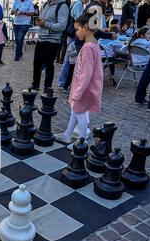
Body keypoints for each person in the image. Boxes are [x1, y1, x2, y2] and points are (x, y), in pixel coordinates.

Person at [55, 12, 103, 147]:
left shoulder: (88, 48)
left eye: (77, 29)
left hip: (84, 88)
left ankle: (82, 142)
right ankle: (67, 135)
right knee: (75, 112)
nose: (76, 33)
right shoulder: (94, 44)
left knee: (79, 113)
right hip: (87, 87)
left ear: (86, 27)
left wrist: (78, 92)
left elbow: (86, 73)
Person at [31, 0, 69, 92]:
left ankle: (47, 88)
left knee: (49, 65)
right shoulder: (45, 4)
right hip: (41, 38)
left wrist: (46, 24)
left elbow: (62, 26)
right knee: (37, 64)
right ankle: (35, 85)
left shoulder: (62, 6)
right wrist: (40, 22)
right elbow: (43, 19)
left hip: (52, 40)